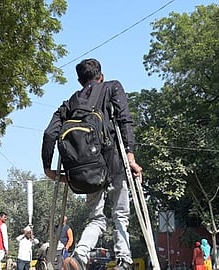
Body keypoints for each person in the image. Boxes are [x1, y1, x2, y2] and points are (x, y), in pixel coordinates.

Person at [42, 58, 143, 270]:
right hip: (114, 161)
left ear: (80, 81)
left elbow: (50, 132)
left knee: (96, 218)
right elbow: (124, 119)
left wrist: (47, 167)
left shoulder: (72, 101)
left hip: (87, 170)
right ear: (101, 76)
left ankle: (79, 256)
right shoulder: (112, 87)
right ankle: (124, 261)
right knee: (120, 214)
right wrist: (131, 157)